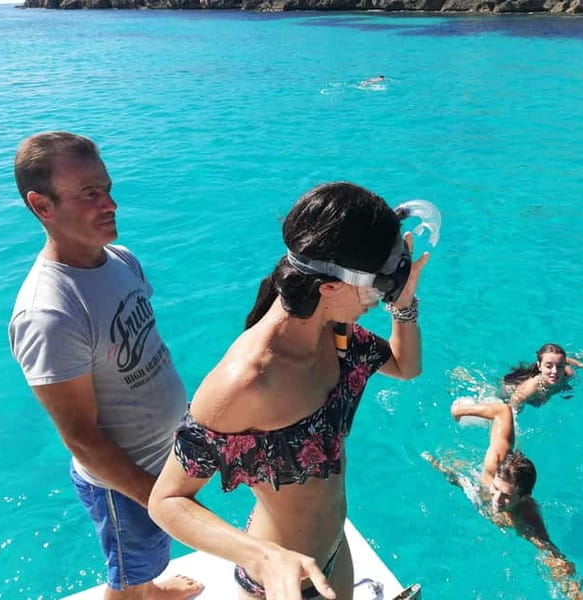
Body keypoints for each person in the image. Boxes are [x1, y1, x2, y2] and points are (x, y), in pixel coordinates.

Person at [148, 183, 436, 600]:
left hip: (335, 555)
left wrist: (403, 304)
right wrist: (263, 557)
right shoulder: (247, 381)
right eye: (377, 289)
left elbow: (406, 367)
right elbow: (167, 501)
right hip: (283, 582)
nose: (378, 301)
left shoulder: (336, 335)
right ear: (329, 287)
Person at [8, 132, 202, 600]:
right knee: (126, 581)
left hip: (166, 459)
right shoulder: (49, 312)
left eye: (108, 188)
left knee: (148, 560)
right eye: (89, 194)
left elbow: (146, 348)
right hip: (124, 485)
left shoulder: (121, 259)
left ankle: (151, 588)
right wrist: (156, 499)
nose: (110, 203)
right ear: (42, 205)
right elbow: (81, 437)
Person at [423, 402, 583, 600]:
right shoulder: (494, 462)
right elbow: (502, 410)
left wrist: (574, 591)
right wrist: (462, 410)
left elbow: (552, 554)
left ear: (523, 497)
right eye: (497, 489)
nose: (497, 500)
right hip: (469, 473)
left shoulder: (526, 518)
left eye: (507, 496)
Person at [502, 343, 583, 409]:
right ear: (540, 366)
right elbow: (509, 411)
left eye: (560, 366)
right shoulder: (528, 389)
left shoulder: (568, 373)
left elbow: (566, 360)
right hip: (512, 389)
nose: (555, 371)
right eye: (549, 366)